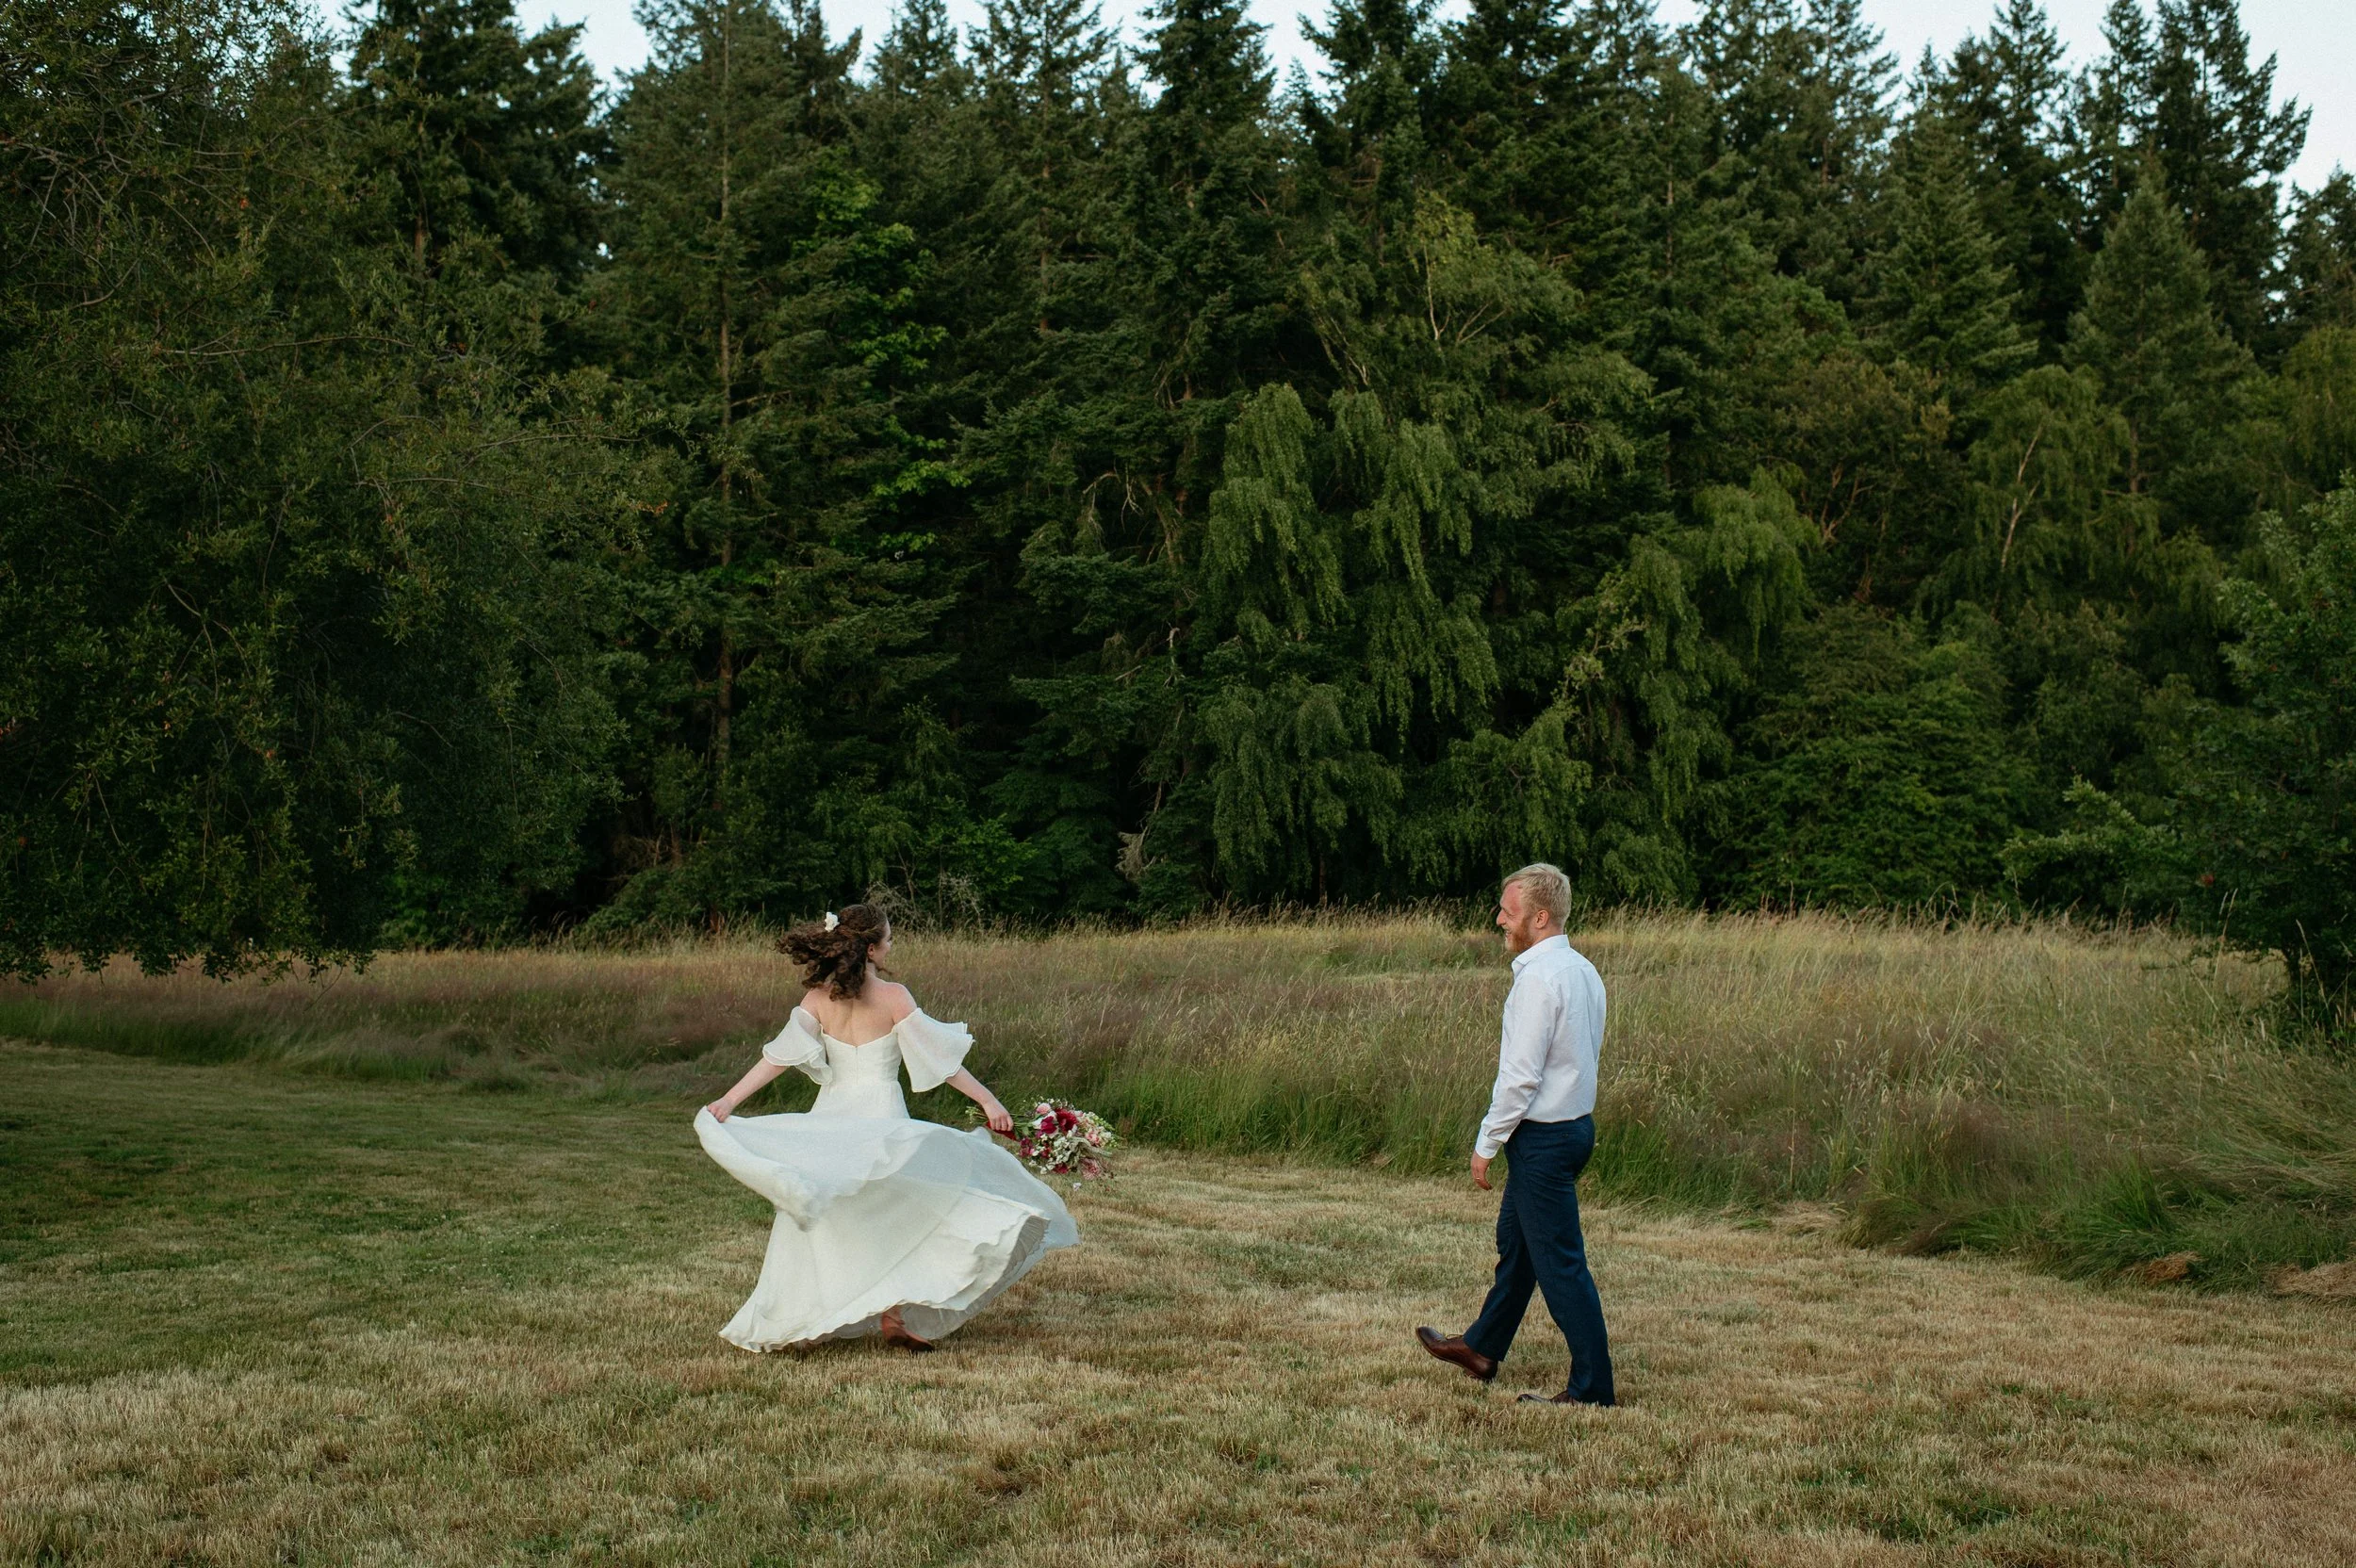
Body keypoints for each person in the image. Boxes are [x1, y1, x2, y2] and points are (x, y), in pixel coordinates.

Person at [696, 904, 1077, 1353]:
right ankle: (884, 1317)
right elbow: (942, 1062)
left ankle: (873, 1317)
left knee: (830, 1215)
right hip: (881, 1117)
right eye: (889, 939)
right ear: (872, 949)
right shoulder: (895, 997)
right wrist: (988, 1100)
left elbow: (776, 1058)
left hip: (833, 1119)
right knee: (894, 1210)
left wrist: (729, 1100)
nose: (892, 946)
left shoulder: (818, 999)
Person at [1415, 862, 1616, 1406]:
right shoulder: (1584, 971)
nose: (1500, 919)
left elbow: (1521, 1077)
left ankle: (1593, 1390)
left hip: (1544, 1140)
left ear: (1540, 916)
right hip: (1574, 1130)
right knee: (1519, 1249)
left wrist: (1487, 1144)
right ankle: (1481, 1348)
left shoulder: (1538, 980)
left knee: (1560, 1265)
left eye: (1509, 911)